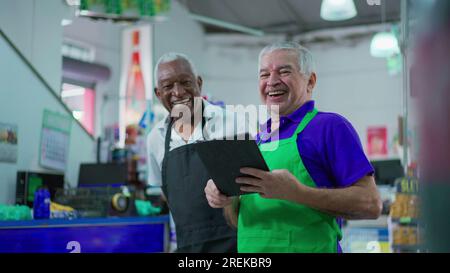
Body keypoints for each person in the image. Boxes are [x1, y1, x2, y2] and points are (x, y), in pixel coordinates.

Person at [204, 42, 382, 253]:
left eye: (284, 71)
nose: (271, 81)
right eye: (264, 74)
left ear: (310, 81)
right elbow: (240, 222)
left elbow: (371, 204)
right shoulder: (258, 140)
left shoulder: (329, 127)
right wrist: (227, 199)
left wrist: (297, 193)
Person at [147, 52, 248, 253]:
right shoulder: (155, 138)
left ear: (199, 83)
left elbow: (250, 187)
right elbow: (166, 193)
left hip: (234, 244)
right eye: (168, 86)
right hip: (187, 246)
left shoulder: (230, 123)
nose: (178, 92)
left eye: (185, 82)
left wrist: (228, 199)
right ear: (159, 94)